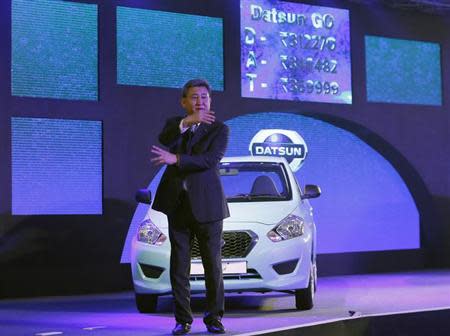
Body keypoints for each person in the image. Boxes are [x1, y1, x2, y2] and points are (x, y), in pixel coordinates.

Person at [151, 79, 230, 335]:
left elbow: (209, 160)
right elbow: (164, 138)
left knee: (213, 265)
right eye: (194, 97)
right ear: (184, 102)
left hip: (208, 206)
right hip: (178, 205)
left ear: (211, 101)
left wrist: (177, 159)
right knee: (179, 266)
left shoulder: (220, 130)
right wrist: (187, 124)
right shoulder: (176, 126)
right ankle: (183, 320)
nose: (200, 102)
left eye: (204, 97)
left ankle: (214, 318)